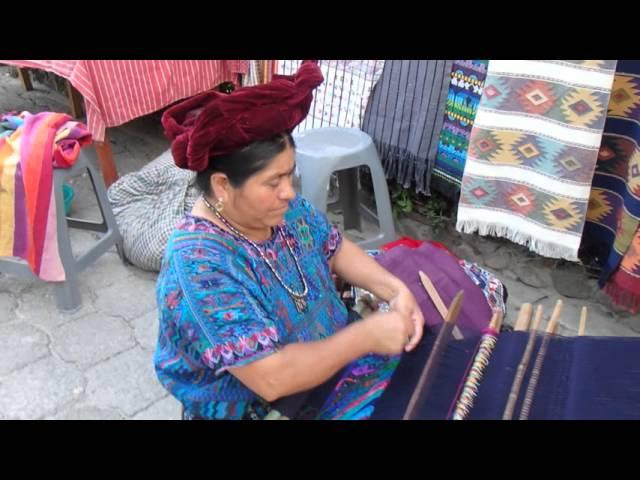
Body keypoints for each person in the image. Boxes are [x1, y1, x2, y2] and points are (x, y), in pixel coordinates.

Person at [154, 61, 424, 420]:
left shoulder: (283, 211)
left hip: (329, 360)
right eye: (273, 181)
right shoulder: (198, 265)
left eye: (290, 175)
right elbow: (271, 378)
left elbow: (334, 246)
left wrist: (394, 291)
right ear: (222, 185)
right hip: (261, 405)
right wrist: (368, 336)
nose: (288, 192)